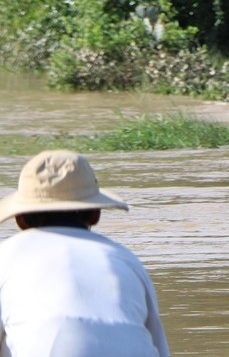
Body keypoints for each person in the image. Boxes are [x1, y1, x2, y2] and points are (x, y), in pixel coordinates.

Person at [0, 150, 171, 357]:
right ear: (95, 214)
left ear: (20, 220)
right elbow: (159, 347)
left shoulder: (6, 256)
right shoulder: (126, 259)